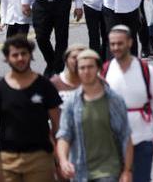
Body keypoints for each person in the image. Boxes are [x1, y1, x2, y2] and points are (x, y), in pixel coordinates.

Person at [0, 36, 62, 182]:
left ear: (30, 55)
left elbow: (58, 125)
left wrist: (59, 159)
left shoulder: (44, 85)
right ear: (7, 58)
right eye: (15, 55)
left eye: (24, 53)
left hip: (40, 157)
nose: (20, 58)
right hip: (7, 160)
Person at [55, 49, 134, 182]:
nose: (86, 71)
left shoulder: (114, 100)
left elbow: (126, 136)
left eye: (90, 67)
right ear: (77, 71)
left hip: (110, 171)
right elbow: (64, 135)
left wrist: (127, 171)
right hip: (81, 173)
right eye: (82, 68)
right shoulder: (71, 102)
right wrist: (63, 161)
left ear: (98, 68)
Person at [103, 27, 153, 182]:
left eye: (120, 43)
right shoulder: (106, 70)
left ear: (130, 43)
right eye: (112, 44)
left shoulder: (146, 69)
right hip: (114, 141)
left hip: (143, 138)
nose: (116, 48)